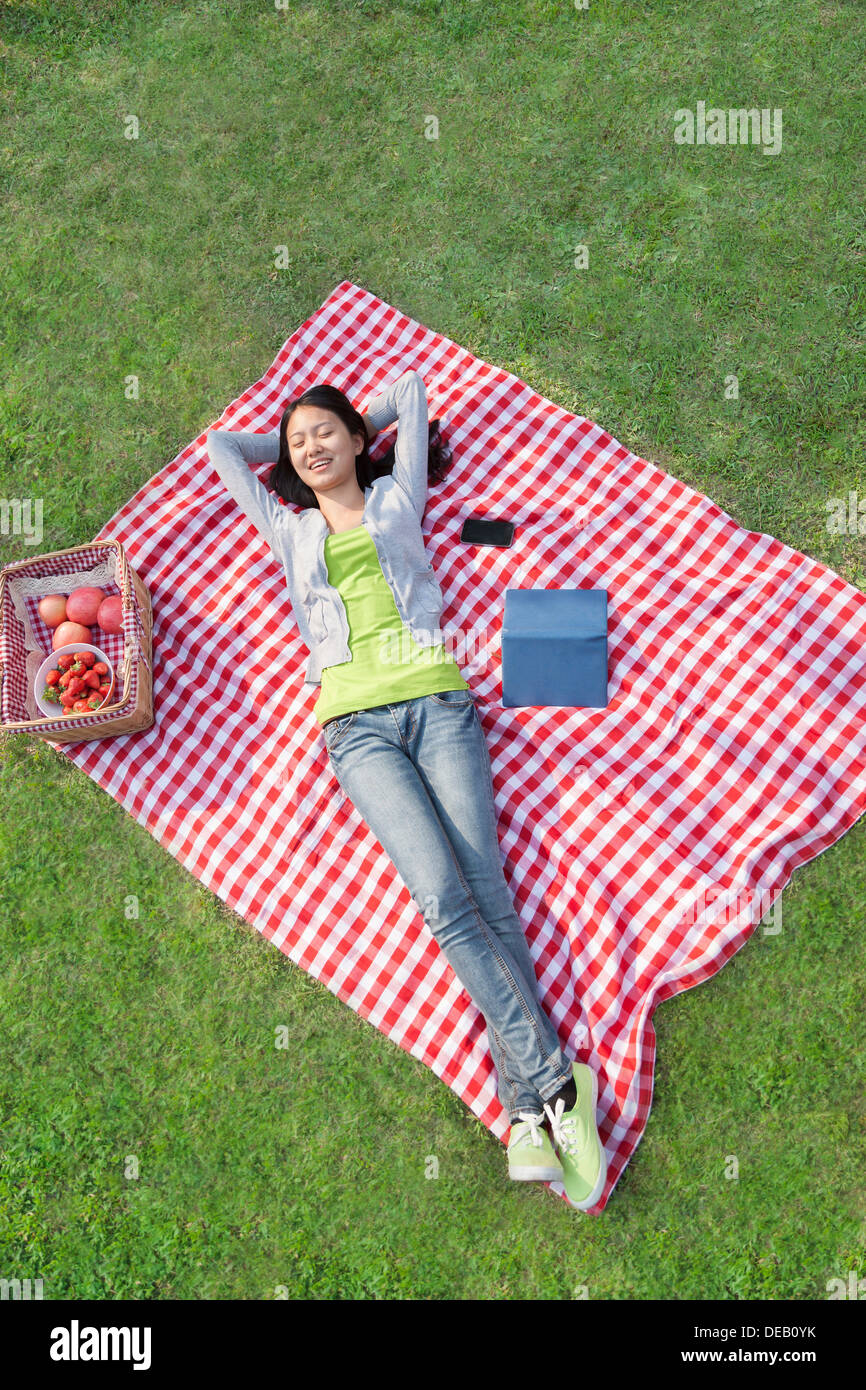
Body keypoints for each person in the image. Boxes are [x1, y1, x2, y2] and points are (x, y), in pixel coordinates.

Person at [207, 368, 606, 1210]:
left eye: (329, 433)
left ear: (360, 440)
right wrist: (290, 441)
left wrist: (353, 418)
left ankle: (528, 1118)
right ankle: (560, 1089)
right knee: (441, 898)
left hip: (436, 699)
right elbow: (223, 449)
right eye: (298, 441)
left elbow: (413, 390)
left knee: (489, 893)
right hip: (354, 728)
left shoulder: (399, 497)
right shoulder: (288, 528)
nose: (311, 446)